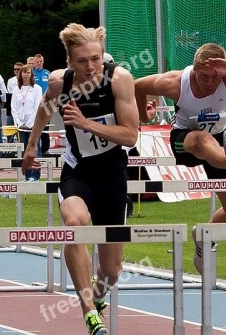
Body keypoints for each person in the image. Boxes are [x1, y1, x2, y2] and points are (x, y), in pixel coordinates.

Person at [22, 23, 138, 335]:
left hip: (112, 173)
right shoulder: (61, 82)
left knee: (112, 271)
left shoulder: (120, 80)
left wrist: (86, 124)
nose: (90, 67)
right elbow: (45, 109)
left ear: (103, 56)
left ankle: (97, 297)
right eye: (82, 61)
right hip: (78, 171)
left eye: (95, 59)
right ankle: (88, 309)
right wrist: (32, 145)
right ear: (69, 60)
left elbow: (129, 136)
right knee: (74, 223)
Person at [134, 43, 226, 272]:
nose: (210, 83)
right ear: (194, 70)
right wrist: (143, 114)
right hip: (186, 141)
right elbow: (138, 86)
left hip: (222, 140)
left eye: (215, 77)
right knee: (202, 140)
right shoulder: (175, 82)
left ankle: (204, 232)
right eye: (204, 77)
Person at [12, 65, 42, 181]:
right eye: (24, 72)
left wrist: (29, 124)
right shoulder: (16, 89)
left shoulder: (37, 88)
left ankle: (35, 176)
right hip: (20, 123)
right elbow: (13, 107)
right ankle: (27, 175)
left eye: (28, 72)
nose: (26, 74)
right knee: (24, 150)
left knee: (34, 149)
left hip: (33, 123)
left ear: (31, 74)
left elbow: (37, 107)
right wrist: (19, 123)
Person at [33, 54, 51, 154]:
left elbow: (52, 87)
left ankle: (45, 149)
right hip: (34, 104)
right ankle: (35, 147)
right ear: (34, 62)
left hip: (46, 104)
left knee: (46, 126)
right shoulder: (31, 73)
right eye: (37, 61)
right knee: (35, 126)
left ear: (43, 62)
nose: (39, 63)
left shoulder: (48, 73)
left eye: (40, 61)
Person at [6, 62, 24, 127]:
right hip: (13, 106)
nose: (16, 71)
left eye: (18, 69)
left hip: (23, 107)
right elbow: (9, 94)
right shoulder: (10, 81)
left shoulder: (26, 80)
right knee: (9, 126)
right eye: (15, 69)